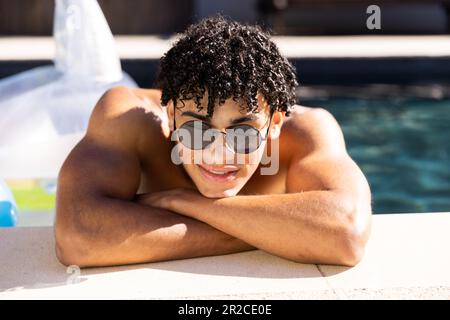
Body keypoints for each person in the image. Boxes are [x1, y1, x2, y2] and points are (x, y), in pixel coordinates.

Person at [54, 16, 371, 268]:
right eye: (197, 131)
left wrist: (184, 201)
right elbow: (76, 234)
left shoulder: (306, 130)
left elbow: (346, 233)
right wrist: (281, 231)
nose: (219, 153)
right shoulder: (126, 118)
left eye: (242, 134)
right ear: (171, 116)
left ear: (274, 124)